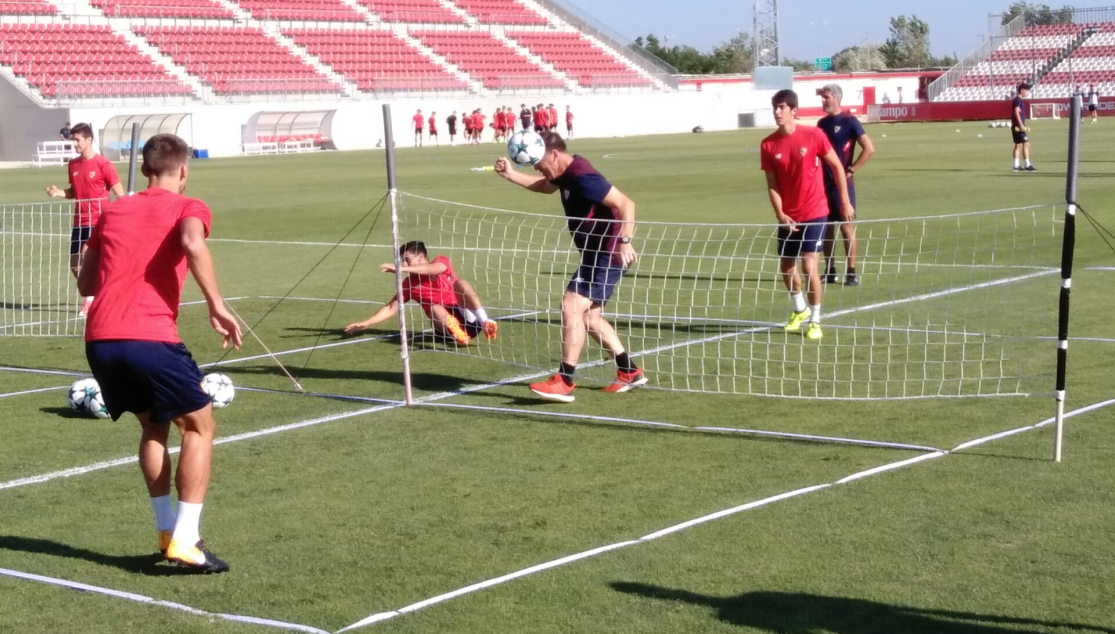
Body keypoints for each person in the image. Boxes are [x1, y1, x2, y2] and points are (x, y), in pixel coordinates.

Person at [77, 133, 242, 573]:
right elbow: (191, 243)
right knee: (200, 427)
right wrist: (217, 305)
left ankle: (167, 530)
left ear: (146, 168)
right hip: (148, 335)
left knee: (154, 426)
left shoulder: (112, 210)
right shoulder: (190, 206)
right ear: (184, 170)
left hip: (100, 339)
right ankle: (186, 540)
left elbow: (85, 284)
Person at [493, 131, 646, 402]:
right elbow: (543, 185)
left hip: (607, 253)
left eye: (539, 163)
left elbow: (626, 204)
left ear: (554, 154)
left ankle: (563, 380)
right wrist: (510, 175)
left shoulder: (581, 177)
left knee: (571, 305)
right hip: (594, 253)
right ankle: (628, 370)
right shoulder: (562, 173)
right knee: (589, 317)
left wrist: (625, 241)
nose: (539, 168)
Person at [760, 89, 853, 341]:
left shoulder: (813, 135)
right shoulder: (768, 144)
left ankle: (815, 319)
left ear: (794, 110)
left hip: (815, 211)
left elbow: (836, 165)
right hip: (788, 216)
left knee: (809, 264)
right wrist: (780, 213)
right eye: (775, 108)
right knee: (787, 266)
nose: (777, 112)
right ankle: (799, 310)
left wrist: (844, 201)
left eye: (782, 107)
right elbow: (772, 184)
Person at [343, 241, 498, 345]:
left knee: (461, 283)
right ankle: (457, 334)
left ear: (421, 257)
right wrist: (366, 323)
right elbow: (391, 308)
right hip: (444, 326)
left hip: (467, 317)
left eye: (407, 259)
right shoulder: (409, 284)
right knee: (435, 308)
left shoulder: (441, 261)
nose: (404, 263)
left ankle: (485, 322)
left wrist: (401, 269)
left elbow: (434, 269)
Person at [45, 122, 125, 317]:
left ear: (89, 140)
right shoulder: (73, 164)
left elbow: (120, 195)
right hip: (79, 220)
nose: (74, 144)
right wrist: (58, 193)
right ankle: (98, 294)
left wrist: (116, 216)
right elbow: (74, 191)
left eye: (77, 140)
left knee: (85, 254)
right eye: (72, 140)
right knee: (74, 264)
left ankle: (90, 301)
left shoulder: (103, 164)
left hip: (97, 219)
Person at [817, 84, 874, 287]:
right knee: (826, 228)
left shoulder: (850, 121)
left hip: (843, 185)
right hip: (823, 184)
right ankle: (830, 270)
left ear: (837, 98)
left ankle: (851, 272)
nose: (823, 100)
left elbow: (869, 148)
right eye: (823, 97)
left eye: (827, 97)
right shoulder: (821, 123)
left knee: (847, 227)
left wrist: (852, 169)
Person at [1012, 83, 1035, 171]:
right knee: (1026, 144)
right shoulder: (1018, 100)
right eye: (1026, 91)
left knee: (1018, 145)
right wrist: (1021, 125)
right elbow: (1016, 111)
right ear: (1021, 91)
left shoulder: (1017, 100)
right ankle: (1027, 164)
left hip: (1016, 125)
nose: (1027, 93)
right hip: (1018, 126)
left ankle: (1016, 165)